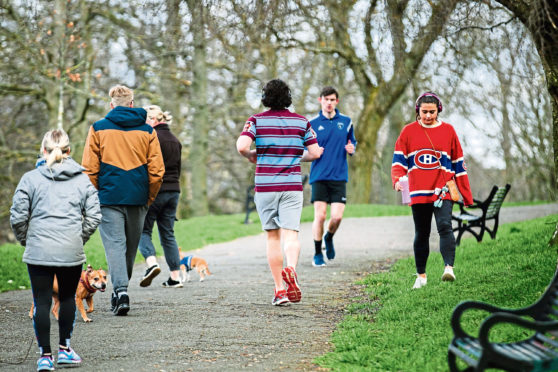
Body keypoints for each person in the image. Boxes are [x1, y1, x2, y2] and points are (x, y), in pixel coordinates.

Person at [10, 129, 101, 371]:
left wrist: (26, 240)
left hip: (38, 249)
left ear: (43, 150)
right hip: (70, 250)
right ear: (69, 151)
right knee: (68, 298)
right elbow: (94, 216)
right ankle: (65, 350)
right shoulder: (82, 180)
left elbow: (18, 217)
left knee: (41, 302)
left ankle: (45, 356)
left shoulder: (29, 179)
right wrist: (77, 238)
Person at [236, 79, 323, 306]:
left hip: (265, 186)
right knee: (291, 233)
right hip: (292, 185)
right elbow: (314, 153)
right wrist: (296, 156)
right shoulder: (302, 122)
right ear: (288, 98)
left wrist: (252, 155)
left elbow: (242, 146)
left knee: (273, 236)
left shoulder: (256, 120)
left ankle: (279, 291)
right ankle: (291, 269)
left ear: (265, 98)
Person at [82, 85, 165, 315]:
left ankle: (120, 291)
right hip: (138, 198)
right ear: (131, 104)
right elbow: (157, 171)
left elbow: (89, 170)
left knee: (115, 246)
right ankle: (121, 290)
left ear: (111, 105)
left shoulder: (98, 129)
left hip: (108, 197)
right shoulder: (148, 131)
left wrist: (96, 194)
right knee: (129, 247)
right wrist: (148, 197)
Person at [391, 92, 473, 289]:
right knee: (422, 232)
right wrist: (397, 180)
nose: (428, 116)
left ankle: (449, 269)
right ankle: (421, 276)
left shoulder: (449, 131)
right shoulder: (408, 132)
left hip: (442, 188)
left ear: (439, 111)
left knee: (445, 226)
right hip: (418, 190)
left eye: (432, 112)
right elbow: (399, 161)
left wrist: (466, 196)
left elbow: (458, 165)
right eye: (424, 112)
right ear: (417, 111)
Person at [309, 86, 357, 267]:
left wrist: (352, 148)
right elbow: (304, 148)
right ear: (320, 100)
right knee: (320, 216)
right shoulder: (312, 124)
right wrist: (312, 151)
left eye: (332, 100)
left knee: (336, 217)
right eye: (326, 99)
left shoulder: (346, 122)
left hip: (338, 175)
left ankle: (328, 237)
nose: (329, 103)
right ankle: (317, 253)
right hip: (319, 175)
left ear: (337, 101)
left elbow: (352, 141)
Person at [138, 105, 183, 288]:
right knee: (168, 234)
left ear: (154, 120)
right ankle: (175, 277)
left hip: (156, 190)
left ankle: (151, 263)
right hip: (174, 191)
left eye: (146, 120)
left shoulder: (151, 137)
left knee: (142, 230)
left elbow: (147, 166)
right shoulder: (175, 140)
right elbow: (178, 169)